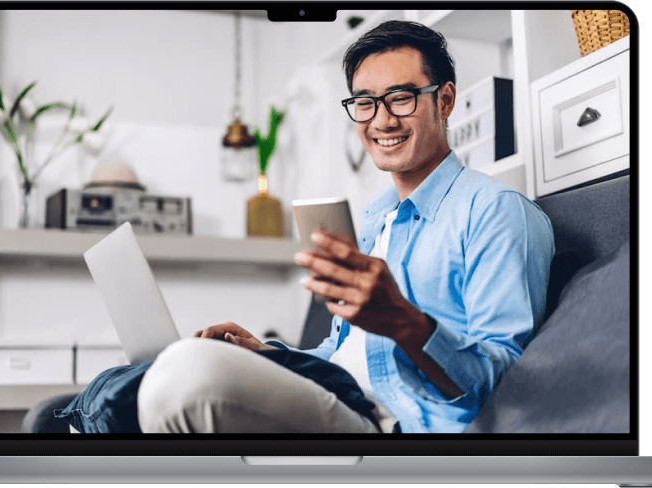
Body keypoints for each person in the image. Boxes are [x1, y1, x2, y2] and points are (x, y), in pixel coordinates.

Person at [137, 20, 554, 434]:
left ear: (445, 101)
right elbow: (341, 353)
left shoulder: (497, 211)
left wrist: (404, 321)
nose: (382, 121)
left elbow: (504, 384)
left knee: (183, 375)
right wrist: (267, 355)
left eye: (402, 97)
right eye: (365, 102)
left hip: (396, 425)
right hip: (340, 398)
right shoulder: (375, 219)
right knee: (153, 371)